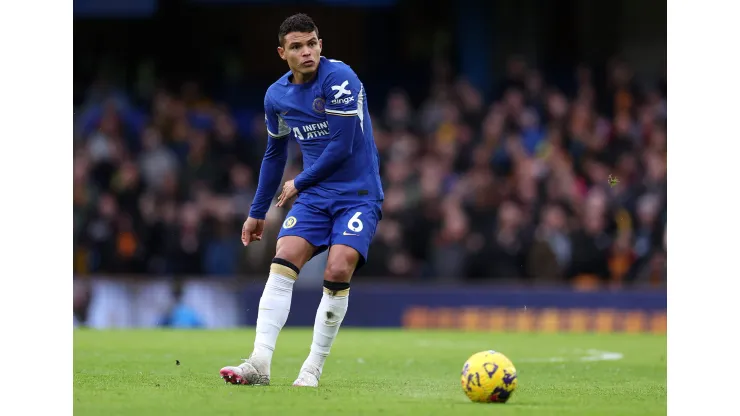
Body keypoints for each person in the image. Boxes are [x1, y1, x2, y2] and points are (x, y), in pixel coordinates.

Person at [219, 13, 384, 388]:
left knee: (339, 268)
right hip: (315, 197)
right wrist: (256, 212)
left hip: (357, 195)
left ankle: (312, 367)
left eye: (312, 43)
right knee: (284, 256)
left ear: (320, 45)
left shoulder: (341, 78)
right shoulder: (276, 96)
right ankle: (259, 362)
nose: (306, 51)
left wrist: (299, 182)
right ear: (283, 53)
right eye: (297, 46)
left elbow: (341, 146)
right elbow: (274, 154)